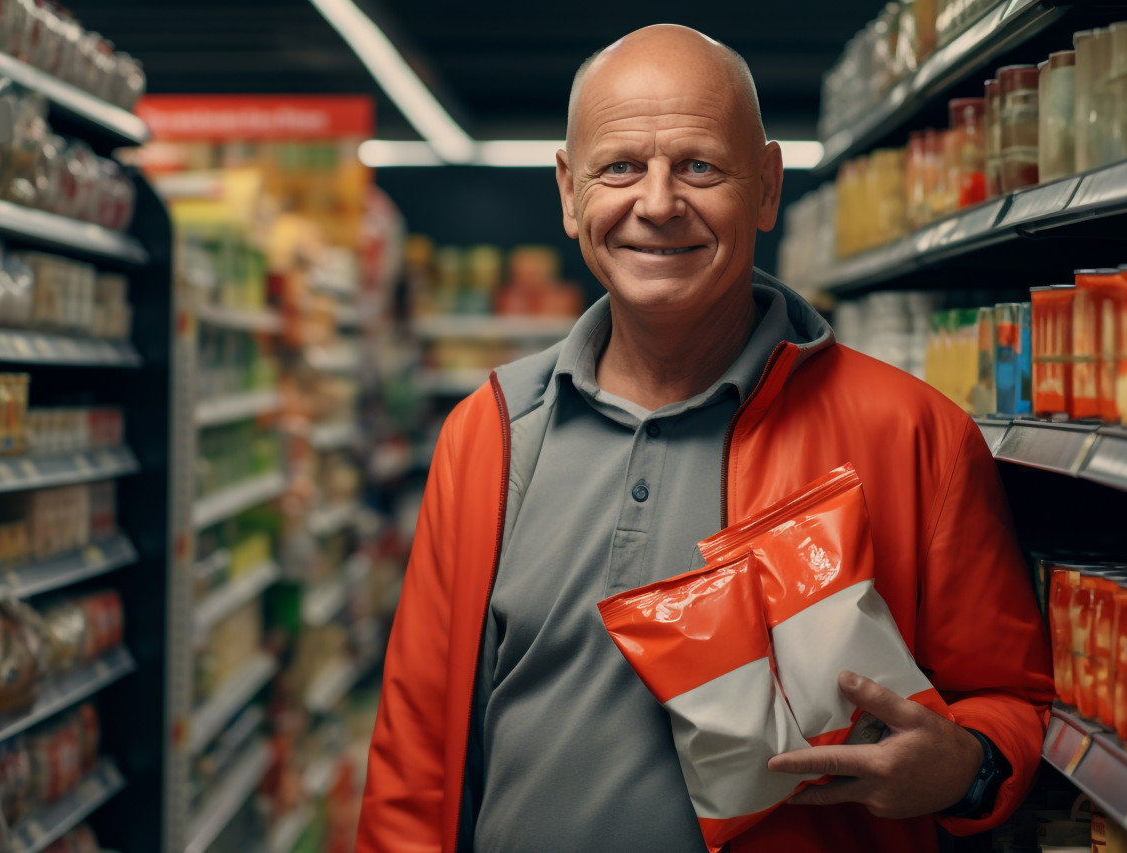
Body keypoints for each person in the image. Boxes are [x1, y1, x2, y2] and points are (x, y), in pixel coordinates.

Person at [357, 24, 1053, 853]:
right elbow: (415, 753)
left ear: (765, 189)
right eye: (619, 166)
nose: (657, 203)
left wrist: (966, 766)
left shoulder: (911, 433)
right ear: (568, 190)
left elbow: (1011, 703)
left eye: (699, 166)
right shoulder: (492, 432)